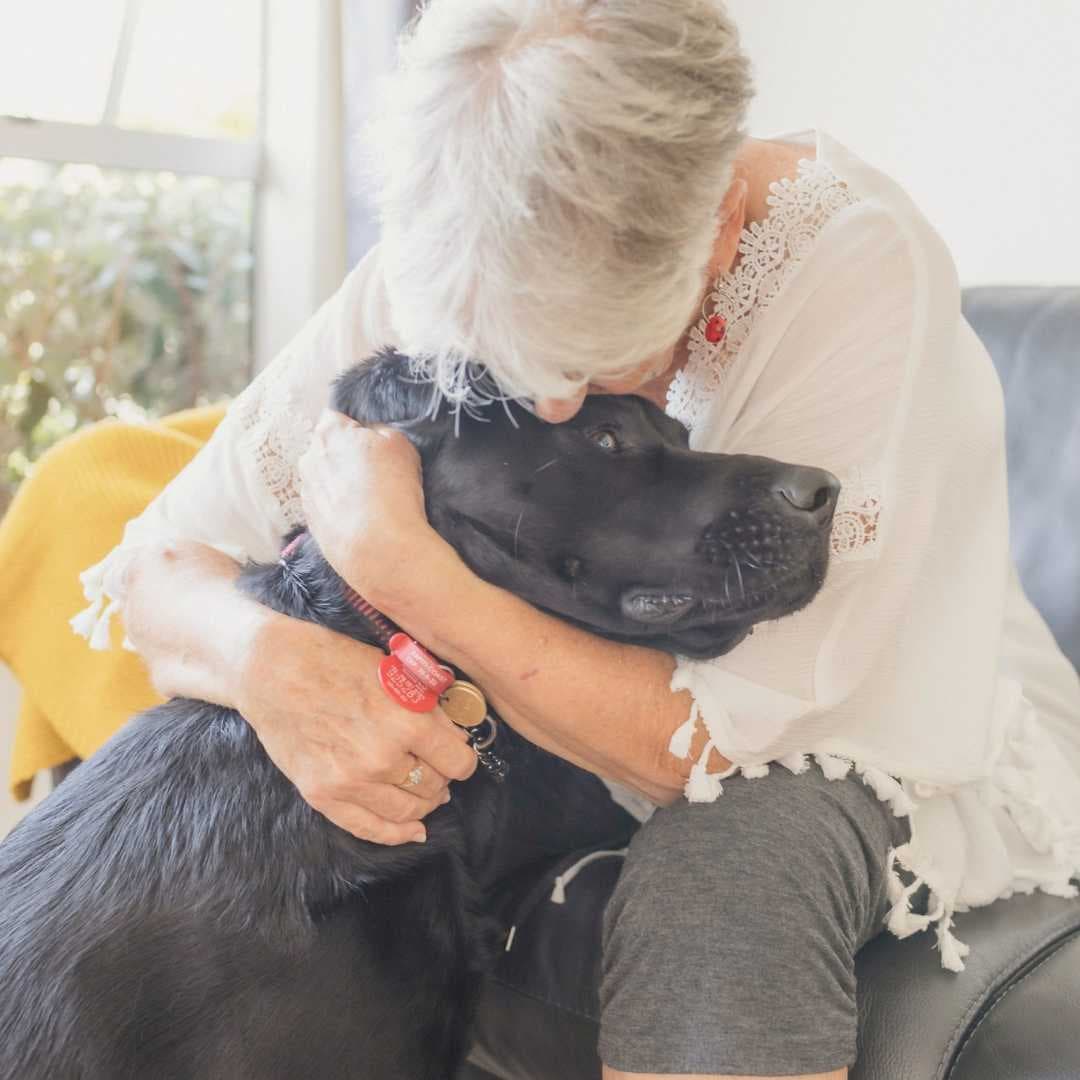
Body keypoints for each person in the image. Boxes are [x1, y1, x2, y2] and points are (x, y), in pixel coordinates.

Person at [72, 2, 1080, 1077]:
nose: (552, 399)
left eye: (602, 378)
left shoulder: (857, 268)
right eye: (509, 366)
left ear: (722, 226)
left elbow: (718, 745)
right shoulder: (461, 261)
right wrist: (269, 661)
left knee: (730, 869)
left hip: (872, 732)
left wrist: (406, 572)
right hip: (564, 730)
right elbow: (159, 569)